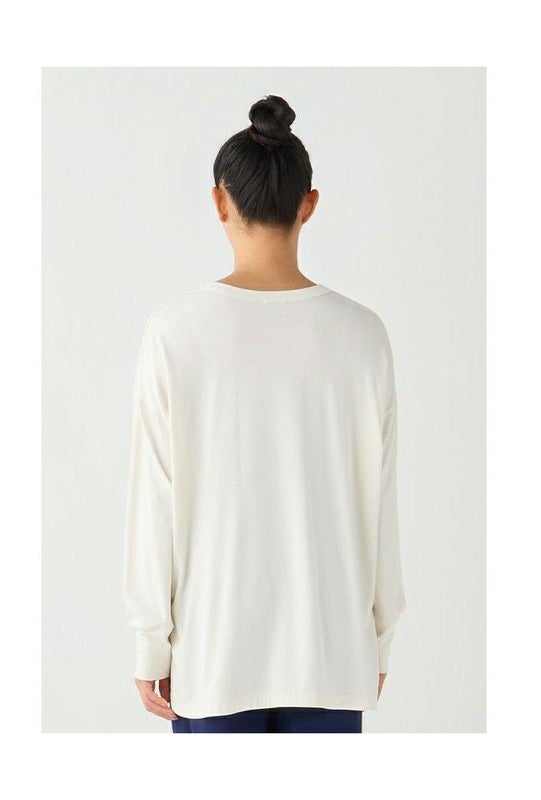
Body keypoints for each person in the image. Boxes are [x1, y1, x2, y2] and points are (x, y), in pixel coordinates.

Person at [123, 95, 406, 734]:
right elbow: (381, 502)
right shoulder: (363, 336)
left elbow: (154, 500)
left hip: (214, 657)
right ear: (309, 204)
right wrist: (379, 639)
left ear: (219, 202)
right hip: (332, 654)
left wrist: (150, 642)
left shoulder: (175, 332)